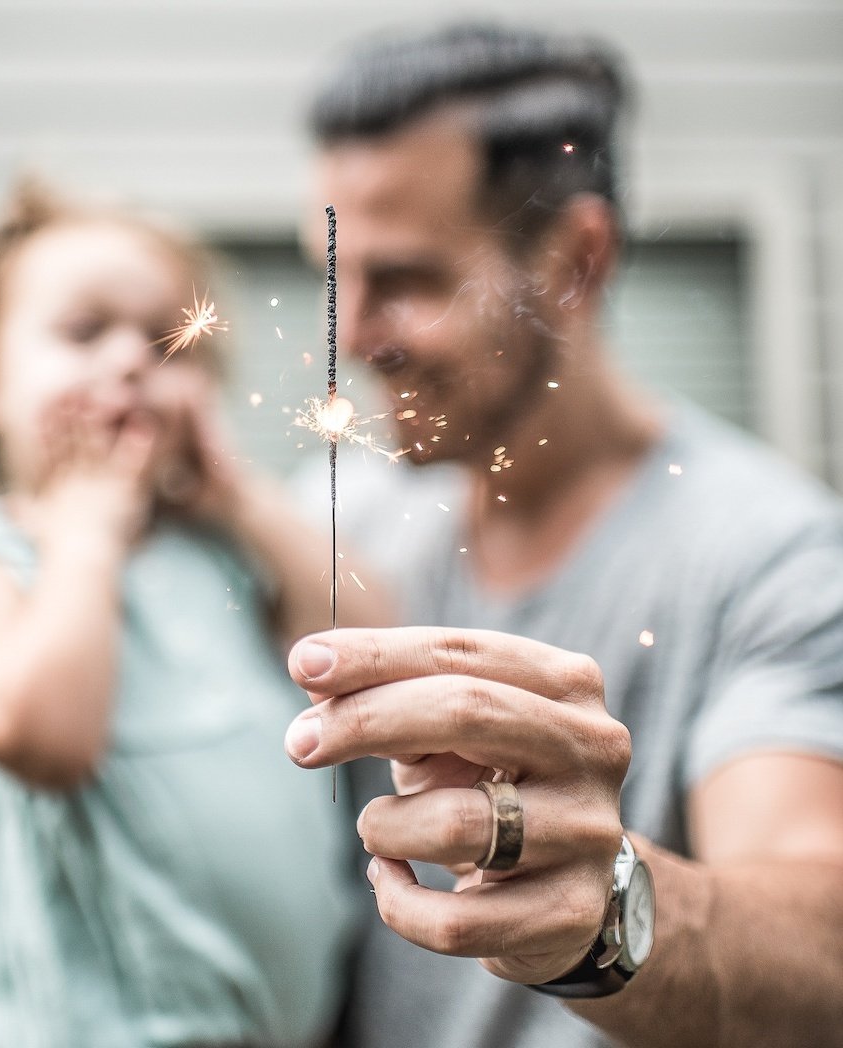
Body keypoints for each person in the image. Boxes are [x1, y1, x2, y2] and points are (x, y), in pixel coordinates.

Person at [282, 21, 843, 1048]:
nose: (353, 336)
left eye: (406, 279)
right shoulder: (348, 514)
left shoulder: (769, 556)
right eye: (337, 276)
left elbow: (822, 953)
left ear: (575, 262)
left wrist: (607, 908)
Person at [0, 179, 384, 1048]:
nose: (132, 361)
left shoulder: (211, 549)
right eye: (83, 333)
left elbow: (368, 631)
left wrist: (236, 496)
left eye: (167, 344)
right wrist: (86, 536)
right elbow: (45, 739)